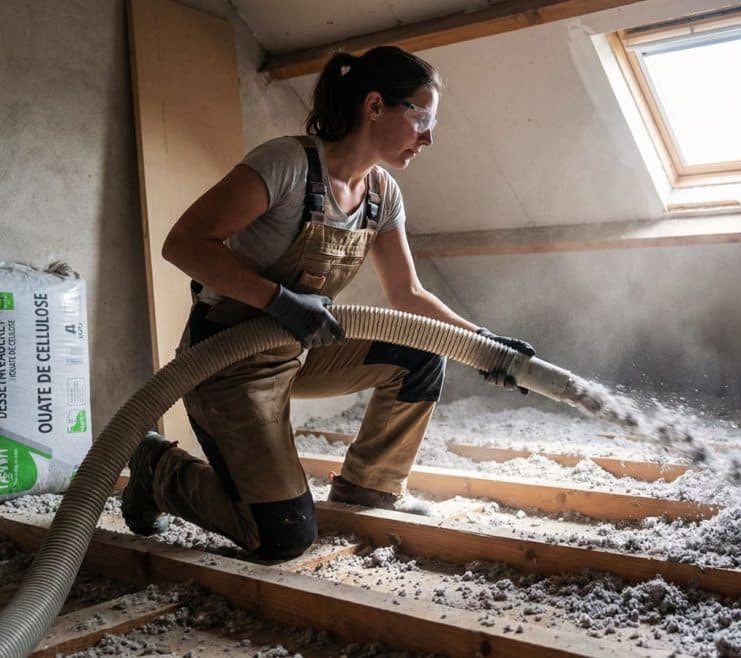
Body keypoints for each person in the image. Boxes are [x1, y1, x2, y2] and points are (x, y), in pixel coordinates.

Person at [120, 46, 535, 560]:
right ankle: (160, 470)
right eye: (421, 118)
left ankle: (368, 489)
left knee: (420, 353)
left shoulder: (382, 193)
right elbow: (182, 242)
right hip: (227, 364)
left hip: (299, 349)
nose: (428, 136)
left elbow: (407, 295)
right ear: (376, 105)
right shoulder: (285, 166)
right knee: (281, 537)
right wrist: (277, 299)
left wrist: (485, 344)